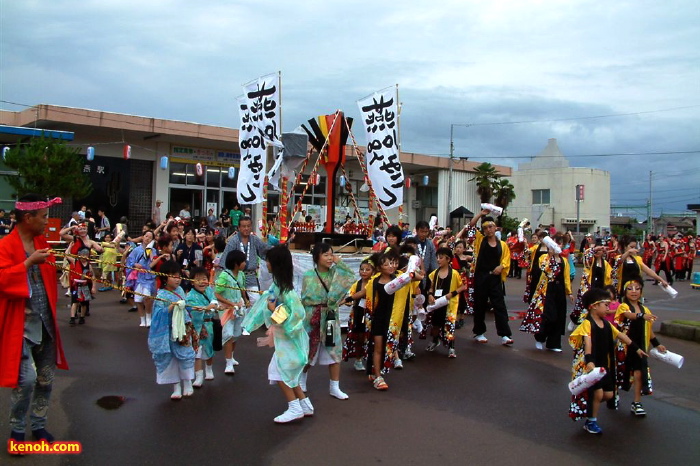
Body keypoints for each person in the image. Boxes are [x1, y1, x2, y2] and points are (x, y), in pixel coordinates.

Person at [0, 194, 68, 445]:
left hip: (45, 322)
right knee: (25, 380)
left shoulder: (41, 242)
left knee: (46, 378)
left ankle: (39, 425)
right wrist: (29, 262)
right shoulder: (5, 246)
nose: (46, 222)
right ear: (27, 218)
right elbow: (3, 280)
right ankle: (17, 431)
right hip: (20, 324)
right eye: (43, 217)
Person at [241, 245, 311, 423]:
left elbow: (297, 315)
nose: (266, 263)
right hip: (287, 341)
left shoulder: (285, 290)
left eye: (268, 260)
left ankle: (294, 407)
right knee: (287, 373)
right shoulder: (279, 286)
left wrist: (274, 310)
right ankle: (304, 404)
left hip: (291, 342)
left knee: (278, 372)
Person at [569, 288, 646, 434]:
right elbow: (588, 342)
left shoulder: (606, 324)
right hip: (592, 367)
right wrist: (589, 360)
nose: (608, 308)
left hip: (605, 365)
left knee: (608, 394)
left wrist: (636, 348)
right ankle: (591, 422)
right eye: (605, 305)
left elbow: (621, 336)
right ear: (594, 306)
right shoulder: (587, 324)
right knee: (597, 393)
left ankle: (590, 405)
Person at [300, 243, 356, 399]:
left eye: (331, 254)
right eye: (326, 255)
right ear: (317, 257)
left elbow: (350, 276)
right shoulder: (308, 275)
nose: (330, 258)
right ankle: (302, 379)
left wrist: (339, 262)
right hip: (311, 316)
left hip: (330, 316)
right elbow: (304, 298)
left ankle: (334, 387)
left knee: (334, 350)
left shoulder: (336, 274)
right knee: (307, 350)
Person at [614, 278, 669, 416]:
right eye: (630, 289)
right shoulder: (623, 306)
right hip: (626, 346)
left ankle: (637, 402)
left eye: (637, 288)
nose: (634, 292)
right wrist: (641, 316)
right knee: (618, 372)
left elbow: (649, 330)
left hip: (641, 346)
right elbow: (629, 316)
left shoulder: (645, 309)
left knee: (639, 373)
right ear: (625, 291)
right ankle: (613, 394)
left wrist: (657, 344)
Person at [148, 261, 196, 400]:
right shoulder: (161, 295)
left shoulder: (180, 290)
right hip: (169, 332)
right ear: (164, 278)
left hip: (183, 329)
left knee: (186, 356)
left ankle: (188, 383)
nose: (177, 279)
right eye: (173, 276)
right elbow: (157, 315)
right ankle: (176, 386)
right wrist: (170, 308)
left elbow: (187, 306)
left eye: (178, 276)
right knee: (171, 359)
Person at [519, 233, 574, 351]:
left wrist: (569, 292)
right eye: (555, 243)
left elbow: (566, 278)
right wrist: (550, 256)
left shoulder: (564, 260)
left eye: (560, 243)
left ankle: (554, 343)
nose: (557, 246)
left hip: (559, 291)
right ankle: (540, 338)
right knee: (548, 316)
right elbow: (545, 270)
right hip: (546, 290)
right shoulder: (543, 258)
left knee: (559, 317)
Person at [468, 209, 513, 345]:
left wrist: (501, 267)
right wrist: (480, 214)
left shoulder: (503, 245)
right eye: (486, 228)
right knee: (480, 305)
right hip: (481, 276)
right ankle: (479, 332)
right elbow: (471, 225)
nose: (488, 230)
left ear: (495, 228)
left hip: (495, 278)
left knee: (499, 305)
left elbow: (506, 259)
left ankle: (505, 334)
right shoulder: (480, 240)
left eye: (490, 227)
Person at [220, 216, 271, 307]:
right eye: (243, 226)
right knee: (239, 302)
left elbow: (265, 250)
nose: (246, 228)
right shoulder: (233, 241)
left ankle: (252, 320)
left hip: (250, 276)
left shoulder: (254, 239)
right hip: (236, 276)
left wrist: (278, 249)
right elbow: (226, 260)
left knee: (256, 300)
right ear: (239, 227)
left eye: (248, 226)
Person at [423, 247, 465, 357]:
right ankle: (435, 340)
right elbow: (431, 287)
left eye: (441, 258)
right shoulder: (434, 273)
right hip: (437, 303)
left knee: (449, 325)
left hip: (450, 304)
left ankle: (451, 347)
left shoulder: (455, 274)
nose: (438, 260)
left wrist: (452, 293)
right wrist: (430, 295)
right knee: (435, 324)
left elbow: (462, 287)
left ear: (448, 259)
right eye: (437, 257)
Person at [215, 250, 249, 374]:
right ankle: (228, 362)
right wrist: (231, 304)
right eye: (243, 261)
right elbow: (217, 293)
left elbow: (242, 289)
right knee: (228, 334)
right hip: (227, 310)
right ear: (236, 263)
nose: (245, 263)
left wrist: (245, 300)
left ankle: (231, 356)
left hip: (238, 308)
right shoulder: (224, 275)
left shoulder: (241, 275)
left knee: (236, 334)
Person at [186, 267, 218, 388]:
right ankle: (198, 376)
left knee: (209, 349)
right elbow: (192, 310)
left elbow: (215, 302)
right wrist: (207, 308)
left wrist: (214, 305)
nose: (202, 282)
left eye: (204, 279)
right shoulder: (190, 296)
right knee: (197, 351)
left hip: (210, 325)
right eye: (198, 279)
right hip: (197, 327)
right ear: (192, 281)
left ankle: (209, 369)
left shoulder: (209, 290)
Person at [342, 257, 375, 371]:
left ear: (373, 271)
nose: (364, 272)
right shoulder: (357, 284)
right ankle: (358, 359)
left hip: (372, 313)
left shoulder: (374, 283)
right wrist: (348, 301)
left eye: (367, 269)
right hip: (359, 313)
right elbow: (351, 296)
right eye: (362, 269)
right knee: (360, 337)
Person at [570, 242, 612, 325]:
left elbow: (609, 276)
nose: (597, 252)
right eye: (596, 250)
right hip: (588, 287)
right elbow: (586, 254)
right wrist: (594, 249)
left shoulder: (606, 264)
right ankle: (575, 320)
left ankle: (592, 324)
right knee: (582, 306)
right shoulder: (590, 260)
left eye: (600, 250)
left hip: (599, 288)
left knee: (596, 307)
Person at [126, 230, 157, 327]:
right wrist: (135, 264)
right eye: (146, 236)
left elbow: (154, 262)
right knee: (138, 299)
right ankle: (142, 319)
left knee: (147, 298)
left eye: (150, 237)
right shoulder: (136, 250)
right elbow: (129, 261)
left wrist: (152, 256)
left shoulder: (153, 250)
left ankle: (148, 317)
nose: (147, 238)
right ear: (143, 237)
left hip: (148, 277)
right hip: (138, 277)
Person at [66, 247, 96, 326]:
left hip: (85, 285)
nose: (84, 257)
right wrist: (70, 246)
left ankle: (82, 317)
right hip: (76, 285)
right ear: (79, 255)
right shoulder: (75, 261)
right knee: (75, 302)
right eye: (82, 255)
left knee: (83, 303)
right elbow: (66, 254)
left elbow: (93, 277)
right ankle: (72, 318)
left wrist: (93, 287)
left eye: (86, 255)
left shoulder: (89, 266)